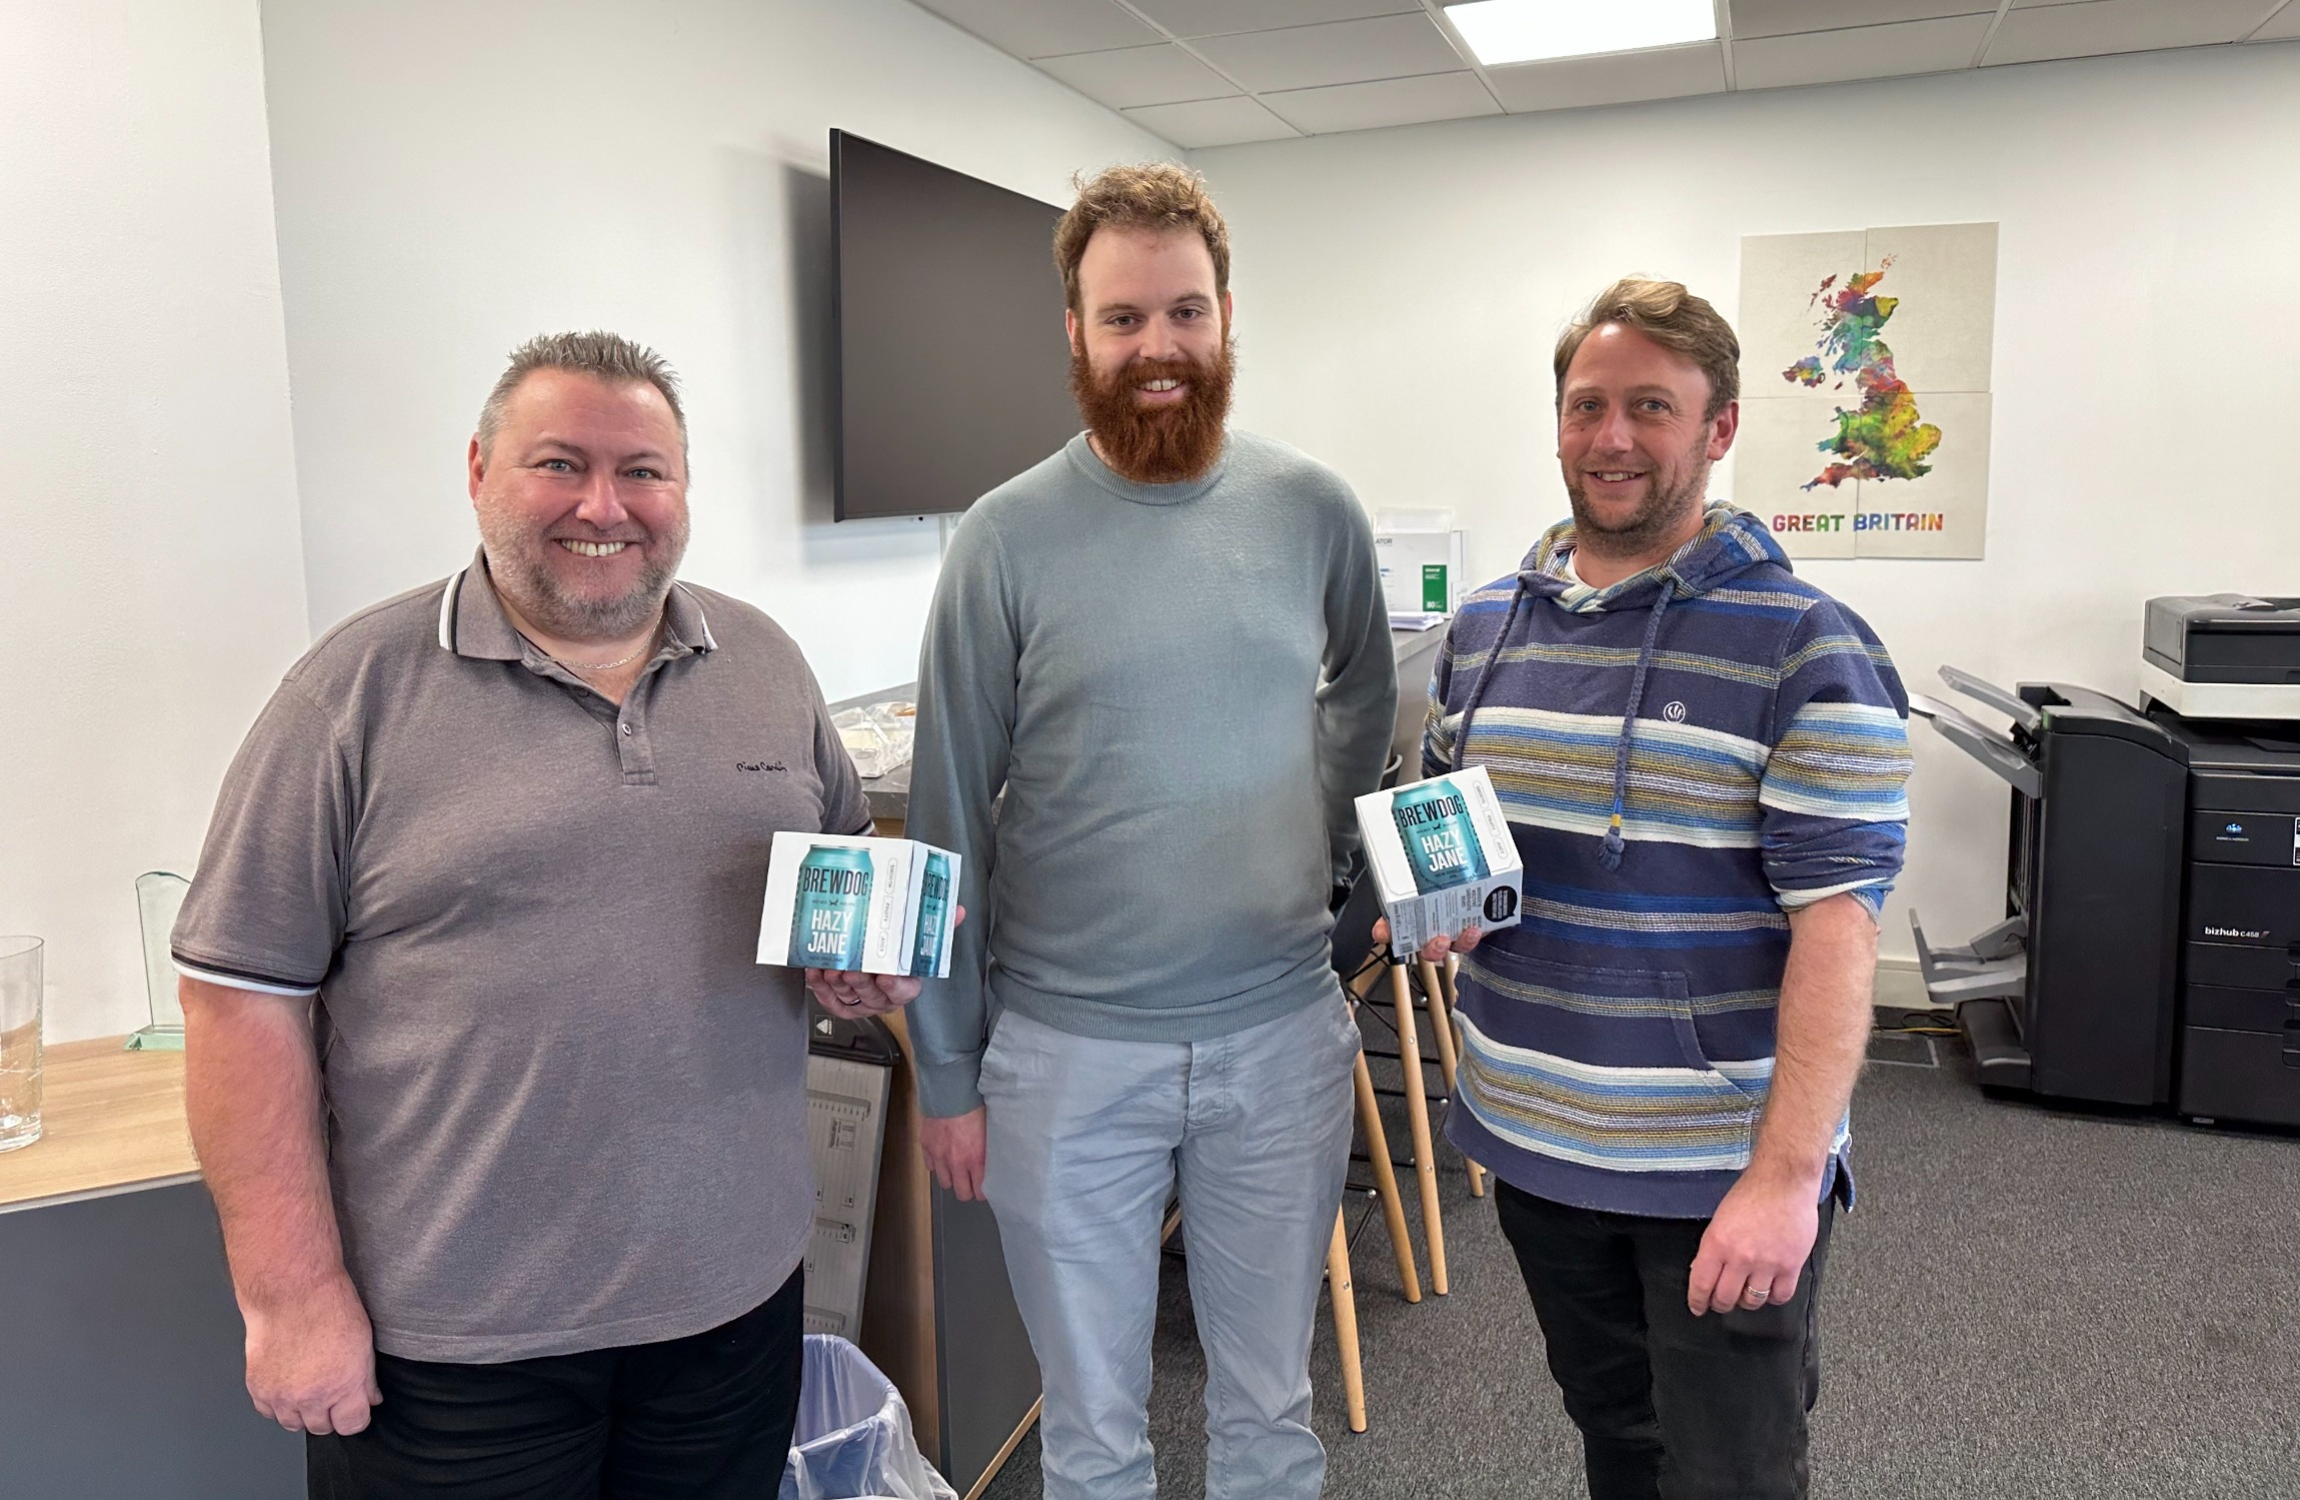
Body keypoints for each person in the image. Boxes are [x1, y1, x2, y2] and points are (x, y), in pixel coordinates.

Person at [173, 331, 931, 1498]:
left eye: (643, 471)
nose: (604, 506)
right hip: (454, 1343)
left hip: (729, 1304)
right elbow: (238, 1007)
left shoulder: (765, 665)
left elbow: (829, 888)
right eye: (557, 464)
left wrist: (853, 971)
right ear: (477, 470)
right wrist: (290, 1299)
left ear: (682, 492)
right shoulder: (350, 696)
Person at [902, 164, 1396, 1500]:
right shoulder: (1003, 543)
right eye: (1124, 320)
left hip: (1280, 1039)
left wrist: (1336, 856)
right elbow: (947, 821)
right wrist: (946, 1070)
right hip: (1065, 1064)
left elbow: (1365, 687)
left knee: (1268, 1418)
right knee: (1095, 1436)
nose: (1157, 348)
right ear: (1074, 332)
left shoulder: (1312, 511)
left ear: (1227, 316)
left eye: (1184, 313)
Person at [1407, 279, 1912, 1499]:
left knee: (1729, 1469)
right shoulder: (1481, 630)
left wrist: (1786, 1180)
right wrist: (1426, 906)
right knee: (1614, 1443)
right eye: (1587, 406)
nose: (1612, 438)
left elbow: (1838, 936)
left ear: (1718, 428)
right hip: (1532, 1138)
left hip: (1713, 1167)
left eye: (1650, 406)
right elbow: (1444, 834)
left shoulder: (1804, 642)